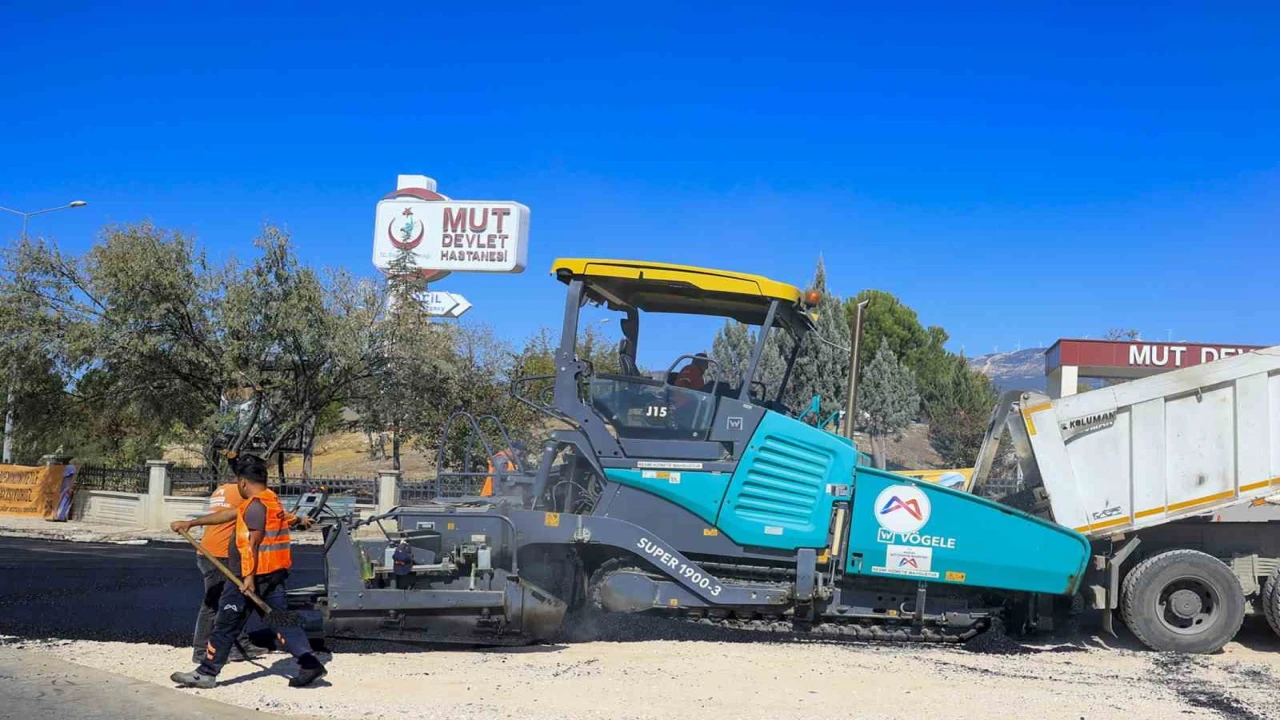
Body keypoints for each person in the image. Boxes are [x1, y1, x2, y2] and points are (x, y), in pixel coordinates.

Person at [169, 455, 327, 689]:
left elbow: (252, 544)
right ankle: (310, 663)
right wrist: (191, 524)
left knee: (226, 621)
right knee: (282, 620)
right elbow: (229, 515)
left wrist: (249, 579)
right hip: (273, 574)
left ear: (242, 482)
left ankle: (206, 672)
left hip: (249, 575)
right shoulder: (269, 500)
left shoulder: (255, 506)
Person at [174, 468, 270, 665]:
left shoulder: (221, 490)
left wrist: (191, 523)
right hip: (220, 555)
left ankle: (238, 645)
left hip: (209, 551)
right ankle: (201, 651)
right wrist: (295, 519)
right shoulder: (242, 494)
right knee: (213, 603)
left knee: (234, 600)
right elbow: (252, 512)